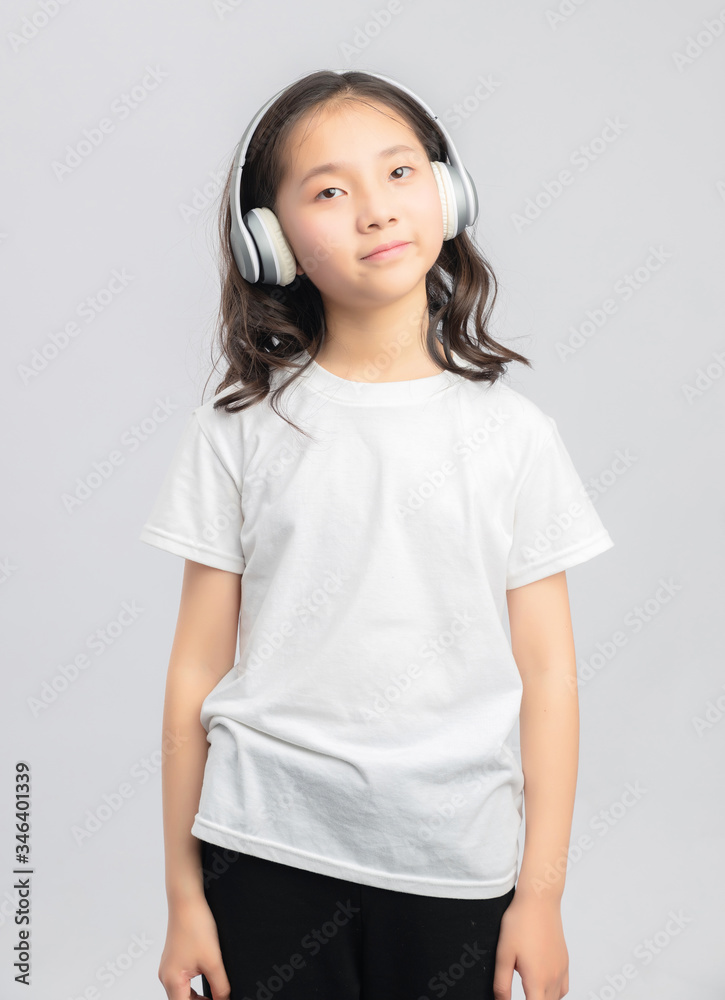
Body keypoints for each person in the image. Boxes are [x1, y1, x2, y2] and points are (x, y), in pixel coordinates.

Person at [140, 68, 615, 1000]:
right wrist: (183, 899)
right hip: (263, 847)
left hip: (456, 861)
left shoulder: (515, 437)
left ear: (447, 191)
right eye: (328, 190)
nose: (374, 211)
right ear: (269, 242)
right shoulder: (236, 433)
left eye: (399, 173)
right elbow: (194, 673)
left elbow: (549, 675)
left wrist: (542, 898)